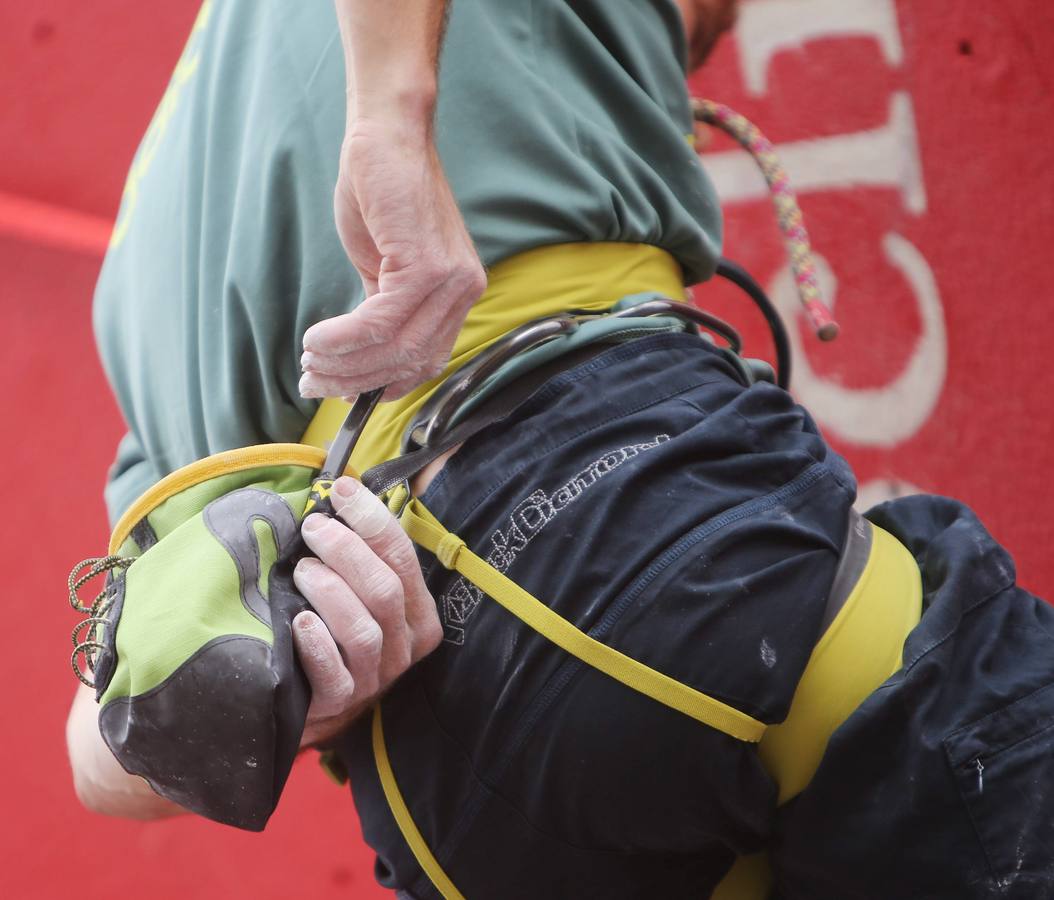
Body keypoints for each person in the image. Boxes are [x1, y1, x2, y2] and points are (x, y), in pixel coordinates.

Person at [68, 1, 1054, 898]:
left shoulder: (140, 272)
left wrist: (305, 681)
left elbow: (102, 753)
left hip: (451, 788)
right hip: (641, 516)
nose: (697, 45)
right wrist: (389, 120)